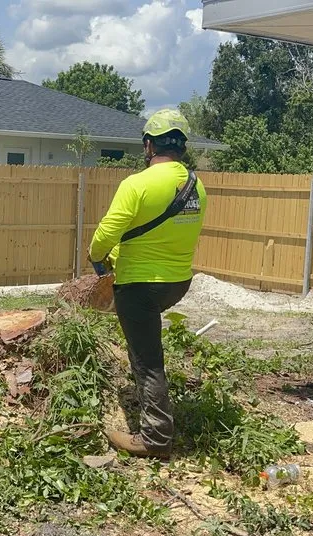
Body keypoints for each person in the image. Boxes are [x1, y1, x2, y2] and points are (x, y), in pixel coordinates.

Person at [88, 108, 207, 459]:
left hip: (139, 287)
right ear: (182, 146)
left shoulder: (137, 184)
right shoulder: (196, 185)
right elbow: (167, 232)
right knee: (144, 344)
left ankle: (155, 438)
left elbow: (107, 232)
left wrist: (97, 256)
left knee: (148, 360)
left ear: (149, 145)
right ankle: (155, 409)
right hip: (177, 282)